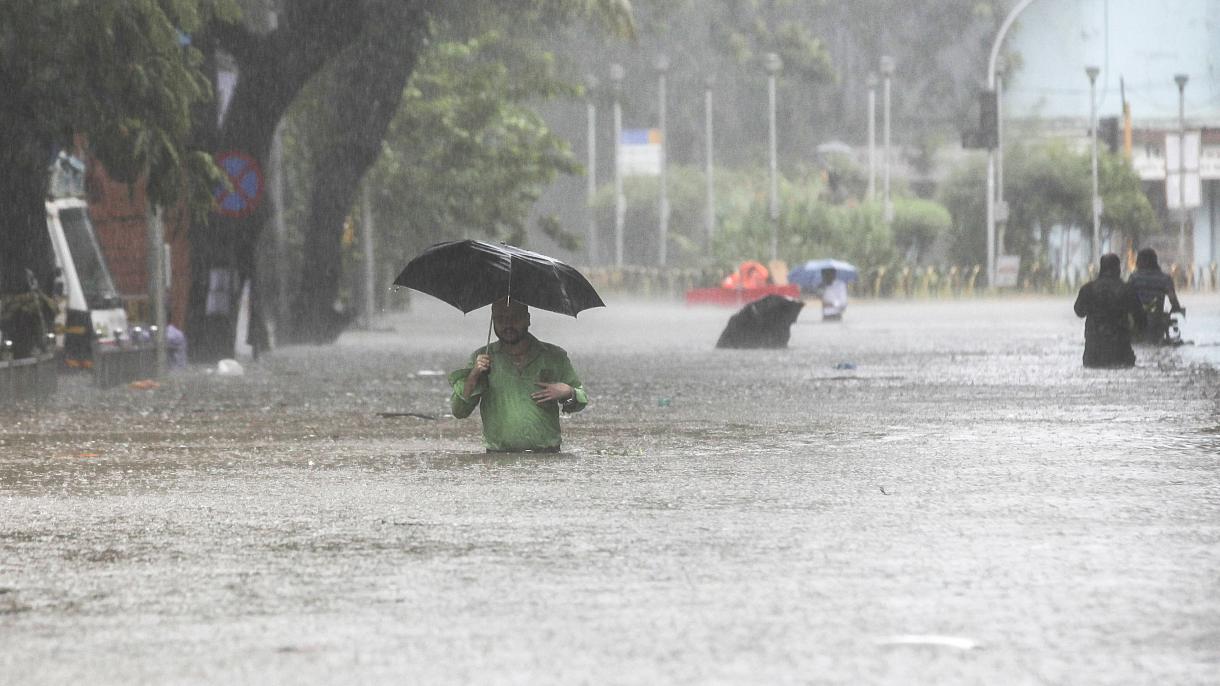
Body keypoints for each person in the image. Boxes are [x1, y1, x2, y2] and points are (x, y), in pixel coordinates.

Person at [448, 297, 588, 452]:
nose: (507, 325)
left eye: (514, 318)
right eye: (500, 319)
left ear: (527, 319)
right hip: (498, 458)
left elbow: (581, 399)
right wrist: (473, 376)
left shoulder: (554, 356)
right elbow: (459, 411)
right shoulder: (481, 358)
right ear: (492, 321)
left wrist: (568, 392)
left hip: (548, 457)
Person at [1073, 253, 1146, 368]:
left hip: (1093, 352)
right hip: (1120, 351)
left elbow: (1079, 312)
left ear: (1101, 268)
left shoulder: (1088, 289)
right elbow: (1141, 320)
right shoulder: (1127, 290)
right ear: (1118, 269)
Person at [1127, 247, 1184, 344]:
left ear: (1139, 261)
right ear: (1155, 261)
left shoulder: (1134, 278)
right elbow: (1173, 300)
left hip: (1137, 320)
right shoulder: (1165, 278)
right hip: (1157, 320)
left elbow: (1126, 298)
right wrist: (1176, 308)